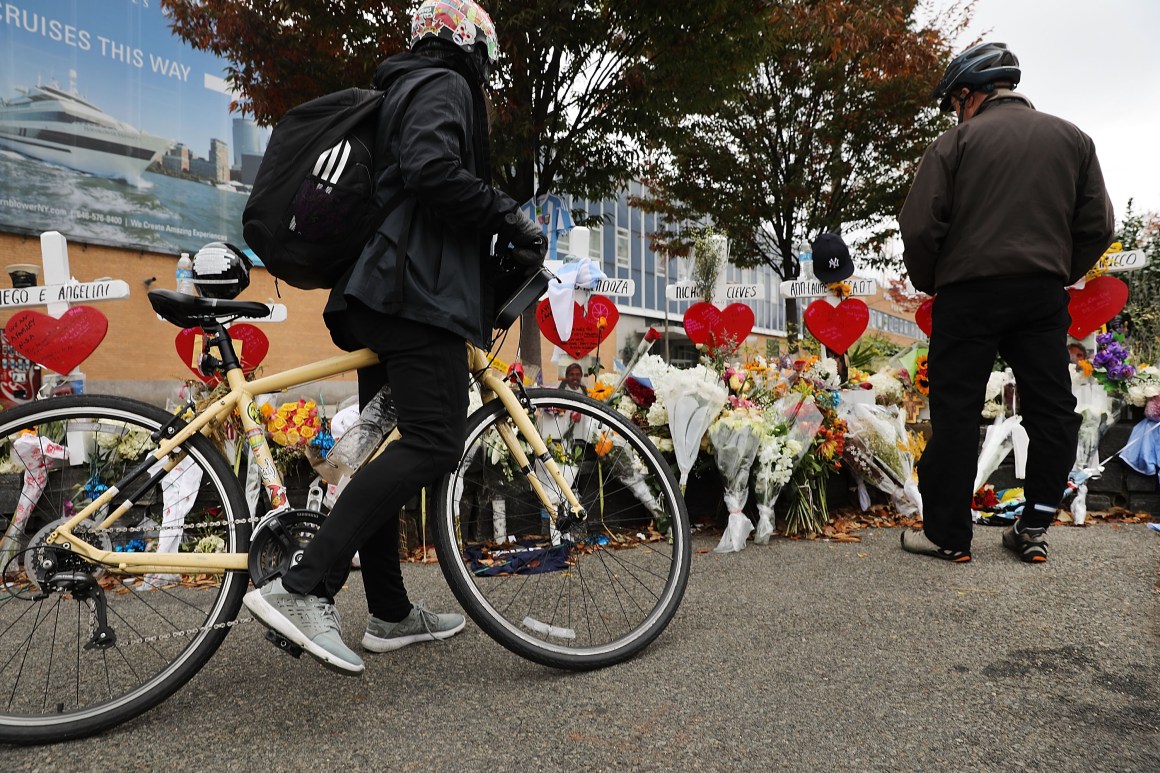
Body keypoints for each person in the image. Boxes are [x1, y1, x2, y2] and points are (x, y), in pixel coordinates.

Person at [244, 0, 547, 675]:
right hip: (416, 296)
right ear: (467, 41)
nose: (488, 73)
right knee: (436, 441)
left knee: (384, 446)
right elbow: (430, 168)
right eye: (487, 58)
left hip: (374, 293)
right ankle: (304, 587)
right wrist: (507, 215)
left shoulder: (397, 85)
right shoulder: (445, 83)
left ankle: (388, 609)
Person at [897, 42, 1114, 564]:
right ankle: (1035, 523)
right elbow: (1099, 226)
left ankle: (948, 536)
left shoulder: (955, 143)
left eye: (955, 100)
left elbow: (920, 224)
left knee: (955, 411)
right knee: (1052, 410)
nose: (955, 109)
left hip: (968, 293)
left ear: (970, 94)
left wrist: (934, 279)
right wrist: (1059, 269)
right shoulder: (1074, 139)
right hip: (1039, 293)